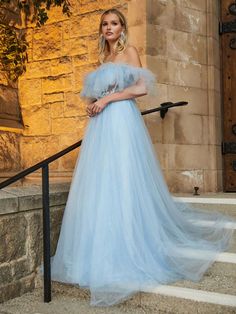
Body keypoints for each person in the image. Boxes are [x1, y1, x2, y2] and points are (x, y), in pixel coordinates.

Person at [50, 8, 234, 307]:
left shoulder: (129, 52)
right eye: (105, 24)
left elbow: (141, 88)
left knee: (123, 179)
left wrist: (107, 99)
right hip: (101, 127)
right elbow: (101, 91)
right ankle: (101, 252)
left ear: (123, 28)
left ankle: (131, 248)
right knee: (102, 184)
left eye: (114, 23)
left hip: (122, 122)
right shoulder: (104, 59)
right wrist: (94, 102)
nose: (109, 28)